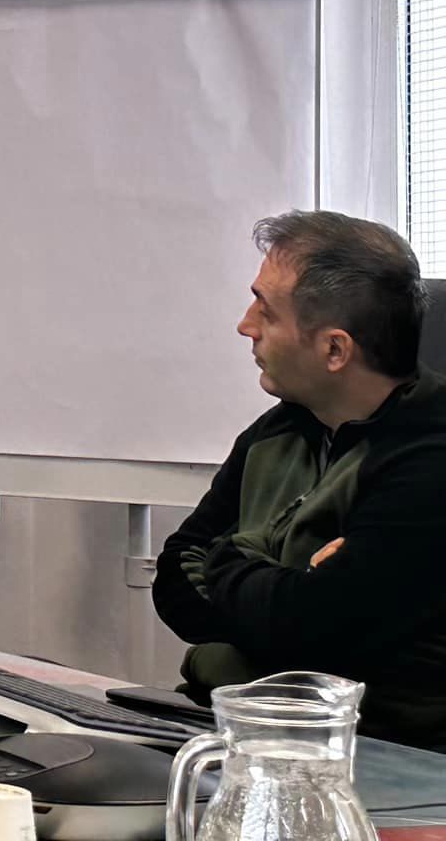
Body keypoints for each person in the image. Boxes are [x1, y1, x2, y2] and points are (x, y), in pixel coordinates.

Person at [154, 210, 446, 749]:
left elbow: (320, 627)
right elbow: (172, 578)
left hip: (378, 757)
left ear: (335, 349)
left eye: (266, 312)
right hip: (234, 728)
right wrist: (286, 591)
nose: (246, 326)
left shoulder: (430, 456)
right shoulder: (278, 430)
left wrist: (227, 559)